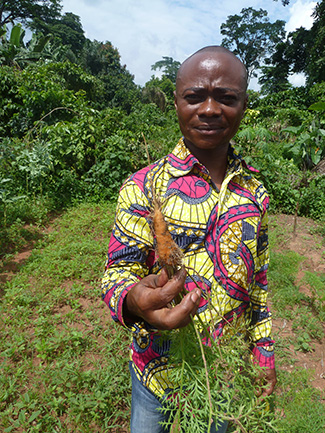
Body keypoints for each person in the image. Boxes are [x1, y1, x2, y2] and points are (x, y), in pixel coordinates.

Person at [101, 45, 276, 433]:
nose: (210, 109)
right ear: (177, 102)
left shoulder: (255, 191)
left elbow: (259, 283)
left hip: (225, 372)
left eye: (226, 98)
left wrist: (263, 352)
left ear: (244, 104)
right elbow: (118, 272)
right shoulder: (144, 186)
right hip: (155, 370)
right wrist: (133, 300)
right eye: (195, 97)